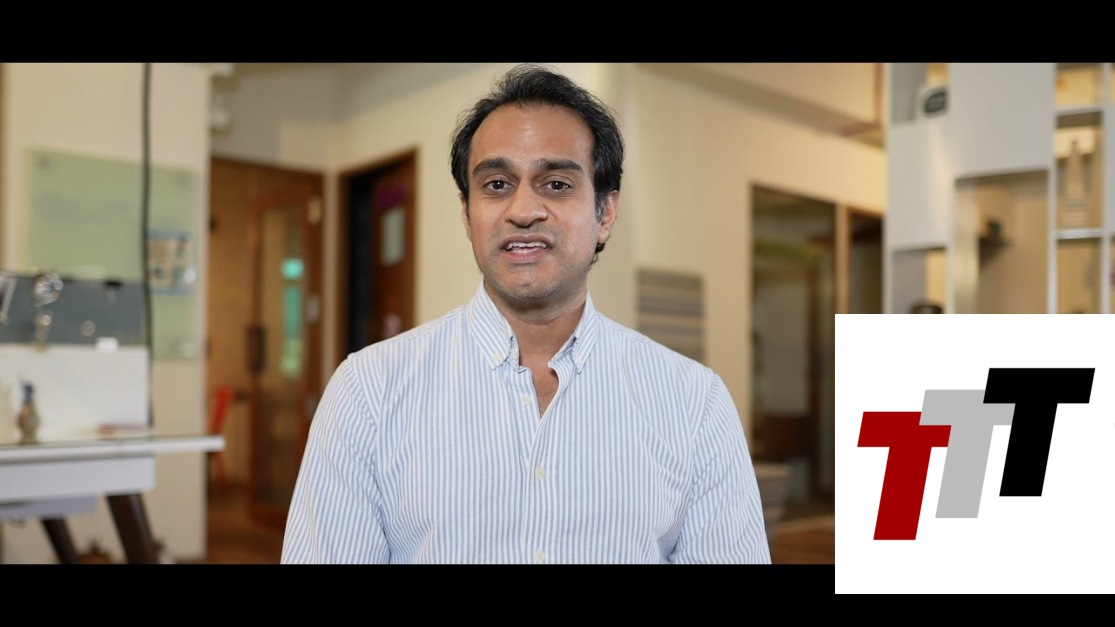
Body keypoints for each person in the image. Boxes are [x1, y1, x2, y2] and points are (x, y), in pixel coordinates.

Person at [281, 64, 771, 564]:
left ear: (605, 213)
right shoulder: (370, 392)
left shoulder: (692, 403)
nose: (522, 210)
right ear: (467, 214)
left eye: (556, 184)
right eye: (496, 184)